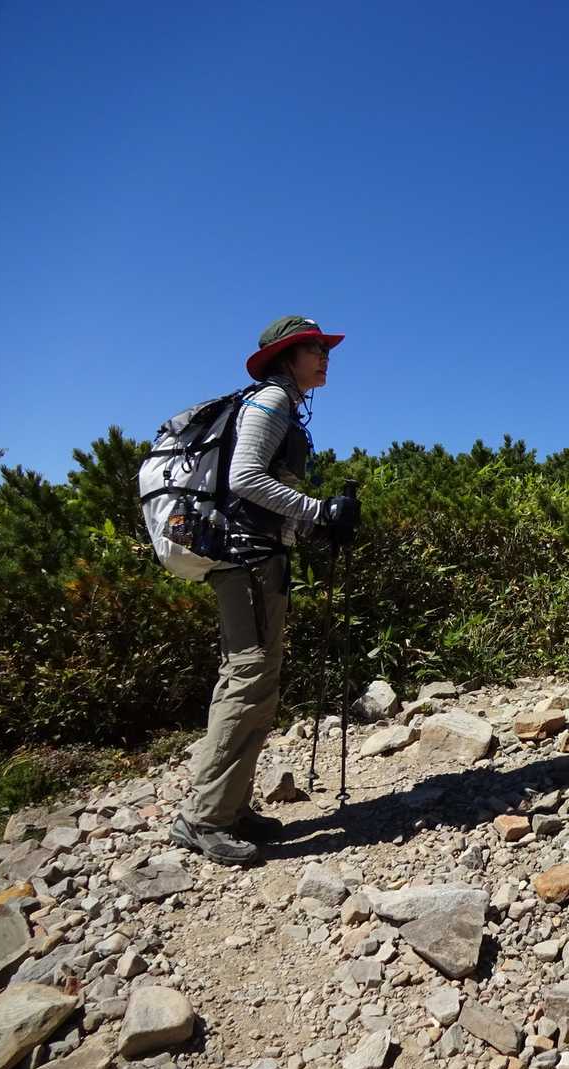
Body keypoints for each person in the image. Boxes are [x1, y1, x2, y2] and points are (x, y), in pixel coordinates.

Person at [169, 316, 359, 866]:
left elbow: (261, 490)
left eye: (325, 349)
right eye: (313, 349)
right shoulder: (272, 401)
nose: (324, 357)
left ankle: (230, 807)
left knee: (257, 683)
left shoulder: (281, 405)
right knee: (248, 679)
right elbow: (245, 478)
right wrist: (321, 511)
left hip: (255, 558)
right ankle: (205, 819)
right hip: (246, 561)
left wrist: (313, 525)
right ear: (285, 357)